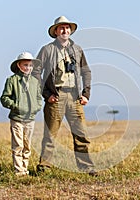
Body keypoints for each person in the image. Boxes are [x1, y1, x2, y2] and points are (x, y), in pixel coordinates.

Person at [33, 16, 97, 176]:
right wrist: (46, 94)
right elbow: (35, 72)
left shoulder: (77, 49)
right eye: (61, 28)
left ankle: (87, 167)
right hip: (56, 96)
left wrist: (86, 94)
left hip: (75, 97)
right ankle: (44, 168)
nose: (65, 30)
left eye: (67, 28)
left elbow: (86, 71)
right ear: (55, 31)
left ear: (70, 30)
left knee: (81, 134)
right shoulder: (47, 50)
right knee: (50, 134)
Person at [0, 52, 42, 176]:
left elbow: (38, 97)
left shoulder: (35, 81)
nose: (28, 68)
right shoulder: (12, 80)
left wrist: (36, 107)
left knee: (27, 145)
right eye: (25, 65)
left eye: (30, 65)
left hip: (31, 118)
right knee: (18, 145)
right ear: (19, 65)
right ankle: (19, 171)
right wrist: (16, 106)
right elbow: (4, 98)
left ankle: (25, 168)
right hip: (17, 118)